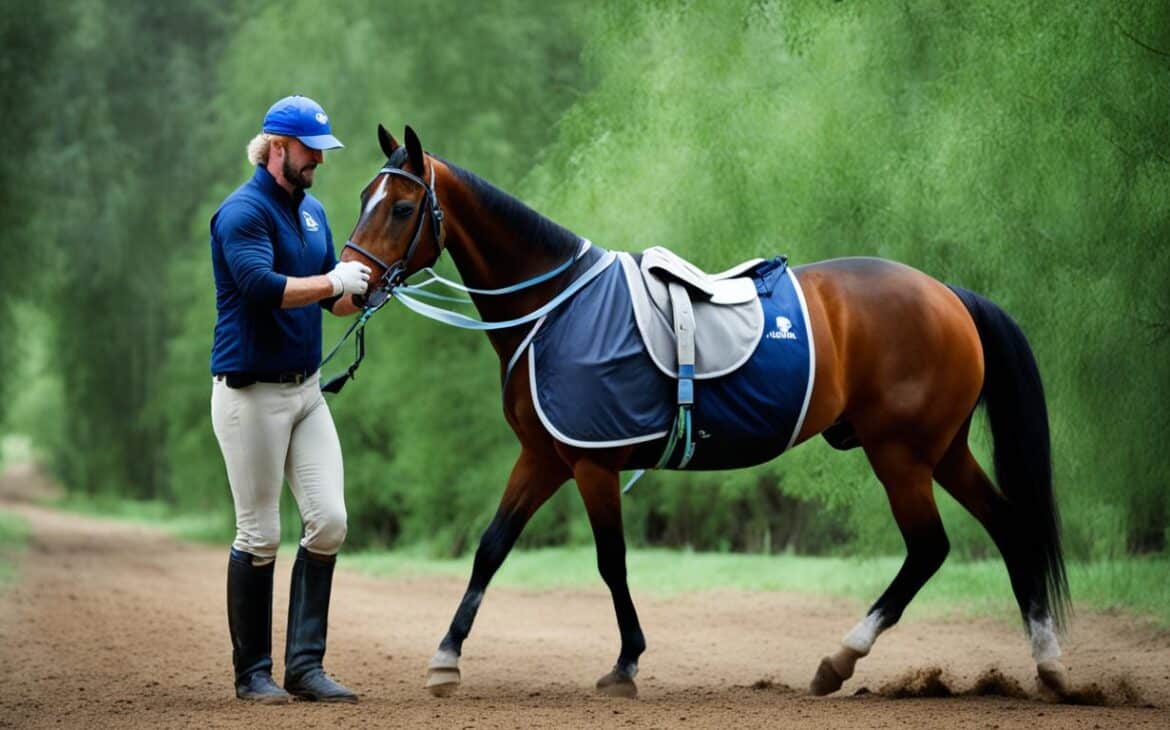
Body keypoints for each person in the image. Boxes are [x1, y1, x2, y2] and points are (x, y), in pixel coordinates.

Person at [209, 95, 370, 704]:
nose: (319, 161)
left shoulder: (314, 213)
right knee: (259, 533)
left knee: (329, 521)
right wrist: (333, 280)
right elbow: (260, 288)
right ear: (277, 147)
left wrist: (368, 289)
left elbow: (335, 301)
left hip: (305, 393)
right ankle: (253, 673)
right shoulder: (242, 212)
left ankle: (305, 668)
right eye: (310, 150)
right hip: (249, 396)